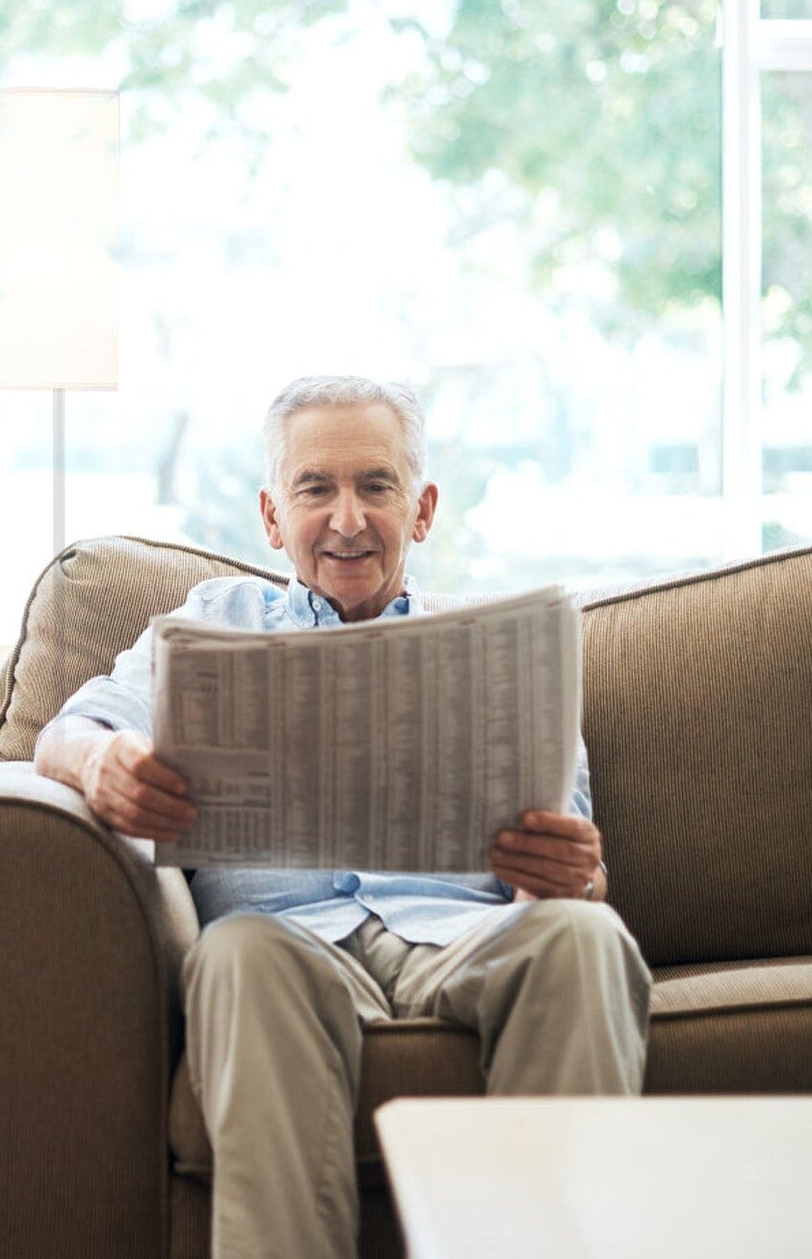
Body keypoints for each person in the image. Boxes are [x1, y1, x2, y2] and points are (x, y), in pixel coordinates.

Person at [34, 374, 652, 1259]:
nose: (348, 519)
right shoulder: (213, 622)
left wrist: (572, 876)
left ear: (423, 507)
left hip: (462, 936)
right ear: (271, 515)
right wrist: (101, 764)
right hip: (283, 941)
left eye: (376, 484)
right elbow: (69, 728)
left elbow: (573, 868)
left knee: (582, 939)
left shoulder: (502, 646)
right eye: (315, 488)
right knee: (236, 951)